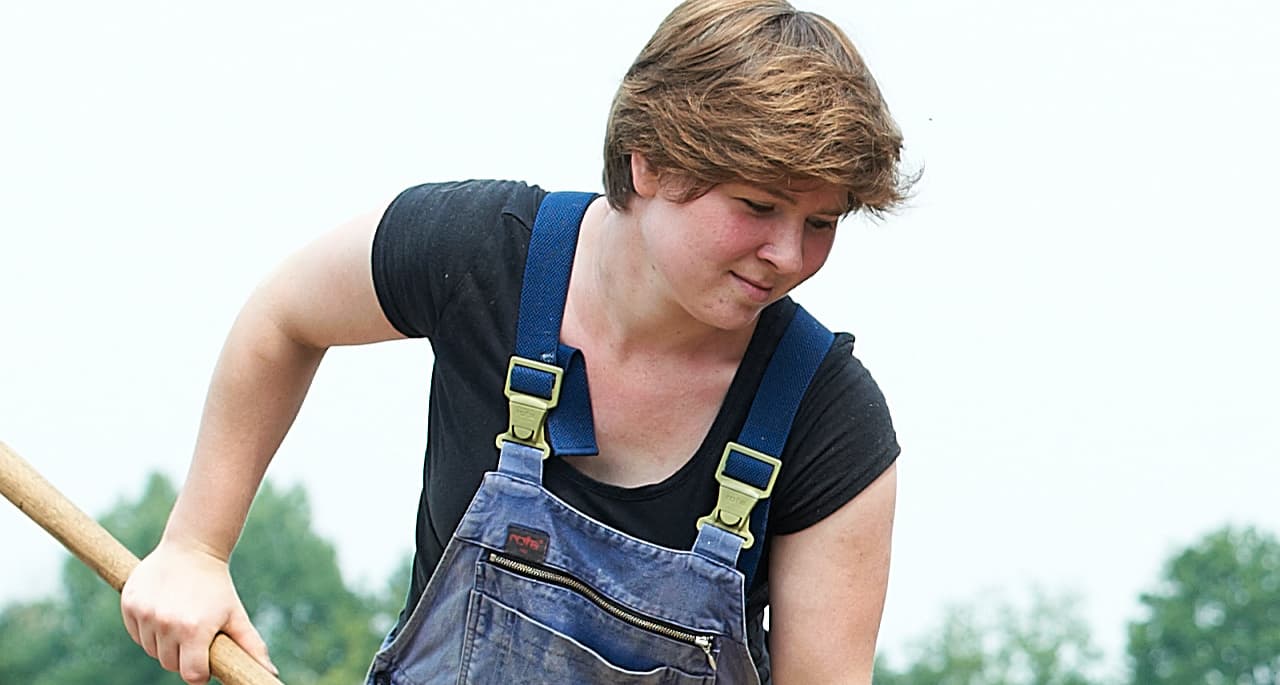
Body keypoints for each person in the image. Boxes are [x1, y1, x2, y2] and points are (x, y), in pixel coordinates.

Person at [120, 0, 912, 683]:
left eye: (821, 222)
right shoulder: (479, 252)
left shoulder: (829, 420)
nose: (788, 255)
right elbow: (285, 314)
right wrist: (195, 548)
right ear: (649, 162)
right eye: (758, 206)